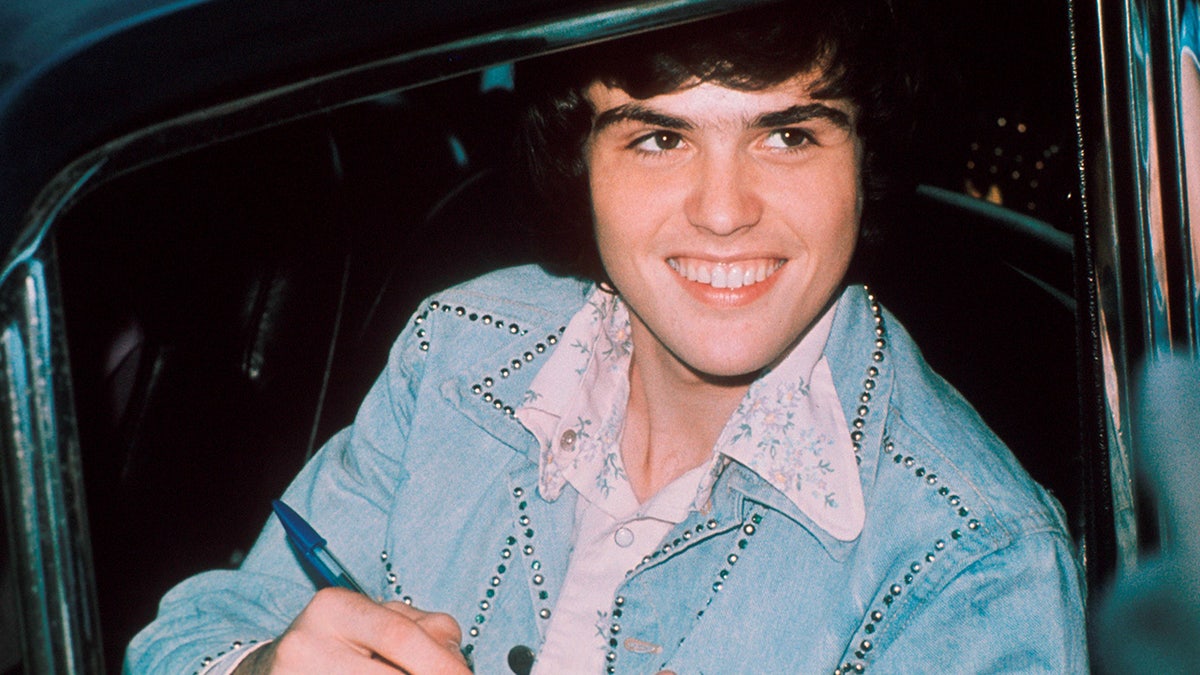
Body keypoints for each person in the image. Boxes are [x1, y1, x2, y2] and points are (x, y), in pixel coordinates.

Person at [126, 2, 1088, 672]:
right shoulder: (458, 349)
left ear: (866, 158)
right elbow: (196, 626)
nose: (723, 211)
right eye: (659, 138)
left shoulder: (975, 561)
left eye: (789, 135)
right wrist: (264, 665)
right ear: (577, 161)